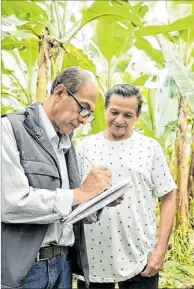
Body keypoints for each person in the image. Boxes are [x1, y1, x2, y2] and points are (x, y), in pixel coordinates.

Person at [1, 67, 114, 289]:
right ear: (60, 92)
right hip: (26, 271)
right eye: (83, 108)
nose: (84, 120)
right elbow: (10, 203)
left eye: (88, 114)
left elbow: (70, 207)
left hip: (62, 265)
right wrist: (80, 193)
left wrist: (99, 198)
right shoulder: (9, 129)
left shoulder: (67, 144)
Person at [76, 84, 177, 289]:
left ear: (137, 116)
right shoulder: (84, 147)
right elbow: (74, 197)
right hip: (94, 260)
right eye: (114, 112)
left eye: (128, 115)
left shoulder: (150, 148)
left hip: (140, 259)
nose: (119, 120)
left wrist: (160, 250)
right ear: (104, 110)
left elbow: (168, 195)